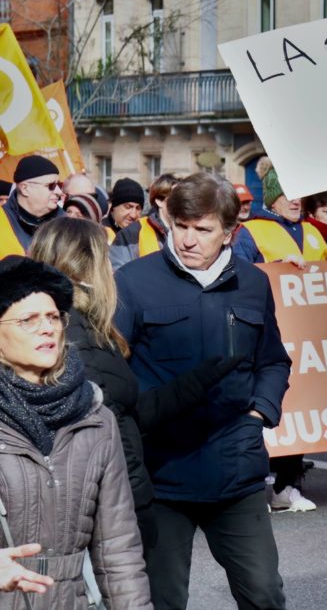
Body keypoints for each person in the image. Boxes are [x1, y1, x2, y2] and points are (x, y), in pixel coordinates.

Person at [115, 173, 290, 609]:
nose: (189, 239)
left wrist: (259, 415)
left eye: (203, 229)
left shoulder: (252, 283)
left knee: (265, 595)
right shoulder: (132, 282)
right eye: (182, 226)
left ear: (230, 232)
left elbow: (272, 360)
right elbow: (111, 373)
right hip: (161, 477)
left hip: (237, 473)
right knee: (162, 601)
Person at [29, 217, 240, 513]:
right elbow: (105, 424)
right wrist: (138, 493)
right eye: (106, 256)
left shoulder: (82, 323)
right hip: (107, 498)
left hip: (103, 491)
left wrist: (200, 379)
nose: (112, 268)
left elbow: (130, 412)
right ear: (85, 265)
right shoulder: (71, 331)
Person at [0, 256, 152, 608]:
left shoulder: (95, 417)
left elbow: (119, 550)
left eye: (53, 317)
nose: (47, 328)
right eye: (28, 320)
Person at [234, 157, 327, 513]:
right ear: (271, 197)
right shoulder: (251, 232)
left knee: (300, 406)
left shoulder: (313, 232)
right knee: (266, 404)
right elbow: (241, 276)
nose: (295, 199)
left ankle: (289, 484)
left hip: (312, 335)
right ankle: (255, 483)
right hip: (270, 334)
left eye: (300, 192)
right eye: (286, 192)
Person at [109, 173, 180, 270]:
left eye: (138, 208)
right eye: (128, 207)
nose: (133, 214)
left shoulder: (186, 232)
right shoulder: (131, 234)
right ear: (159, 200)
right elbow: (119, 276)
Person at [0, 155, 64, 258]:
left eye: (59, 185)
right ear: (25, 189)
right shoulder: (2, 221)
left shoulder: (67, 225)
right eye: (51, 186)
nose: (59, 192)